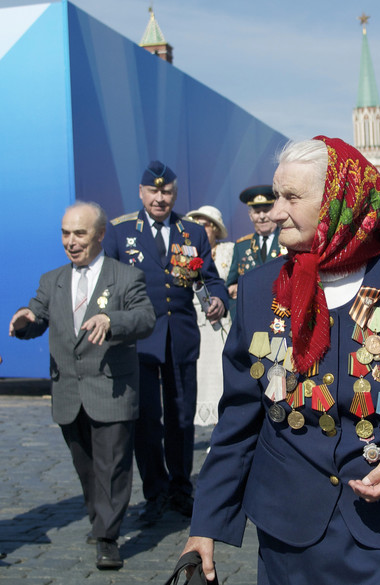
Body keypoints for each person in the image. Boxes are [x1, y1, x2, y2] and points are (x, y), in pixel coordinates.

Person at [181, 137, 380, 585]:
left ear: (335, 202)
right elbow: (240, 418)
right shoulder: (257, 290)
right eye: (275, 194)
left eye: (291, 197)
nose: (275, 209)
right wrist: (206, 525)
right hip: (288, 528)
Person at [9, 202, 155, 570]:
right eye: (65, 233)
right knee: (87, 467)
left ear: (100, 234)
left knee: (114, 465)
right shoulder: (52, 280)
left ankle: (108, 537)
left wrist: (112, 319)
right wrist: (26, 320)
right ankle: (98, 519)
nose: (71, 242)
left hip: (111, 388)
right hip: (68, 392)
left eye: (80, 234)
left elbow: (145, 318)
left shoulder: (125, 277)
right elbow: (38, 314)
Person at [103, 161, 227, 522]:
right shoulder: (121, 231)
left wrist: (216, 297)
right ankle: (154, 491)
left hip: (181, 337)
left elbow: (209, 279)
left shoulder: (192, 232)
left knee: (182, 416)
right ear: (142, 193)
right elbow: (108, 283)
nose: (160, 198)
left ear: (174, 194)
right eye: (154, 192)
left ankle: (180, 489)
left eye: (167, 192)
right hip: (140, 339)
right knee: (146, 419)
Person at [186, 205, 234, 425]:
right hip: (196, 321)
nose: (200, 229)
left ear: (215, 228)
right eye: (195, 225)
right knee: (200, 375)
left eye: (204, 224)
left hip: (222, 320)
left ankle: (223, 424)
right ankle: (201, 422)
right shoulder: (185, 251)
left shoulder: (229, 250)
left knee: (221, 373)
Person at [225, 185, 285, 320]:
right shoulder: (241, 246)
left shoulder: (287, 241)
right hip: (251, 315)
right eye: (257, 212)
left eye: (266, 210)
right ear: (250, 215)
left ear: (275, 211)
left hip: (281, 315)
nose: (262, 216)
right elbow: (231, 285)